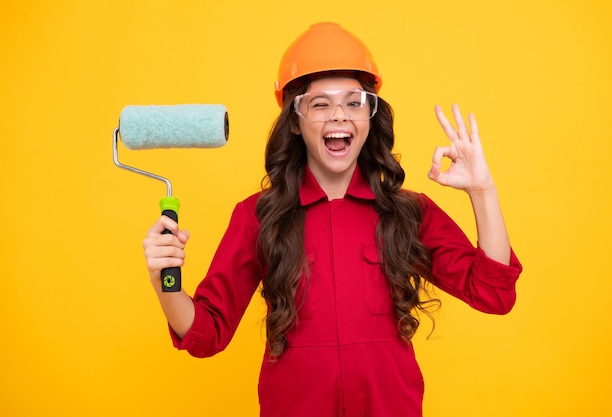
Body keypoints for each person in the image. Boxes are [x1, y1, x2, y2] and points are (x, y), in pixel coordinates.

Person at [142, 22, 522, 417]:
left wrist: (483, 192)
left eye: (354, 102)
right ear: (295, 120)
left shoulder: (408, 212)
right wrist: (164, 281)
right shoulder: (258, 216)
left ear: (370, 116)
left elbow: (493, 293)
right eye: (320, 103)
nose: (339, 115)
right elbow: (206, 335)